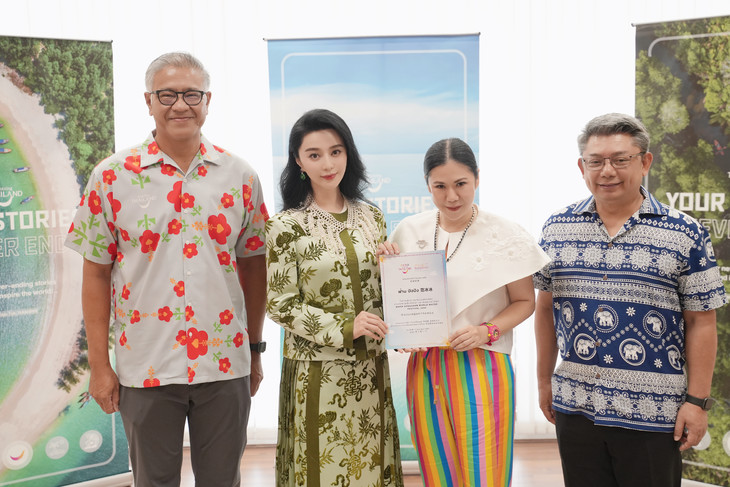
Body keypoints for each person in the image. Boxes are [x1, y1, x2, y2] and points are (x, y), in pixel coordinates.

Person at [65, 52, 269, 487]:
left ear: (208, 101)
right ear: (148, 101)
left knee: (223, 481)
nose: (180, 105)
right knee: (153, 481)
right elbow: (95, 275)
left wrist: (254, 351)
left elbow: (254, 268)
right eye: (167, 94)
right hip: (145, 363)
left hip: (224, 362)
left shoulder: (241, 177)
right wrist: (100, 366)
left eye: (191, 94)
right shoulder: (111, 177)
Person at [533, 113, 726, 487]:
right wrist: (544, 382)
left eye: (620, 159)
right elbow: (545, 309)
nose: (607, 171)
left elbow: (701, 322)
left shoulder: (685, 233)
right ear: (582, 167)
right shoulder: (557, 228)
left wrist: (697, 402)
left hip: (653, 413)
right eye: (596, 161)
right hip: (576, 405)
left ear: (645, 162)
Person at [380, 138, 550, 486]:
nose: (452, 196)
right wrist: (401, 322)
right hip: (425, 367)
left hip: (483, 364)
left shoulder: (505, 234)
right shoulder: (409, 230)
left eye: (461, 184)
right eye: (440, 186)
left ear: (477, 178)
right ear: (427, 184)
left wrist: (485, 331)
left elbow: (525, 302)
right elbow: (395, 300)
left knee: (485, 471)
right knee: (437, 468)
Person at [265, 108, 404, 487]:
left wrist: (392, 267)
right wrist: (346, 326)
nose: (327, 164)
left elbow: (380, 290)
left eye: (336, 151)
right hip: (318, 372)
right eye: (314, 154)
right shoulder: (285, 226)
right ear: (298, 161)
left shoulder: (372, 217)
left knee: (370, 466)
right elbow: (280, 304)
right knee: (322, 470)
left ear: (348, 153)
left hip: (370, 369)